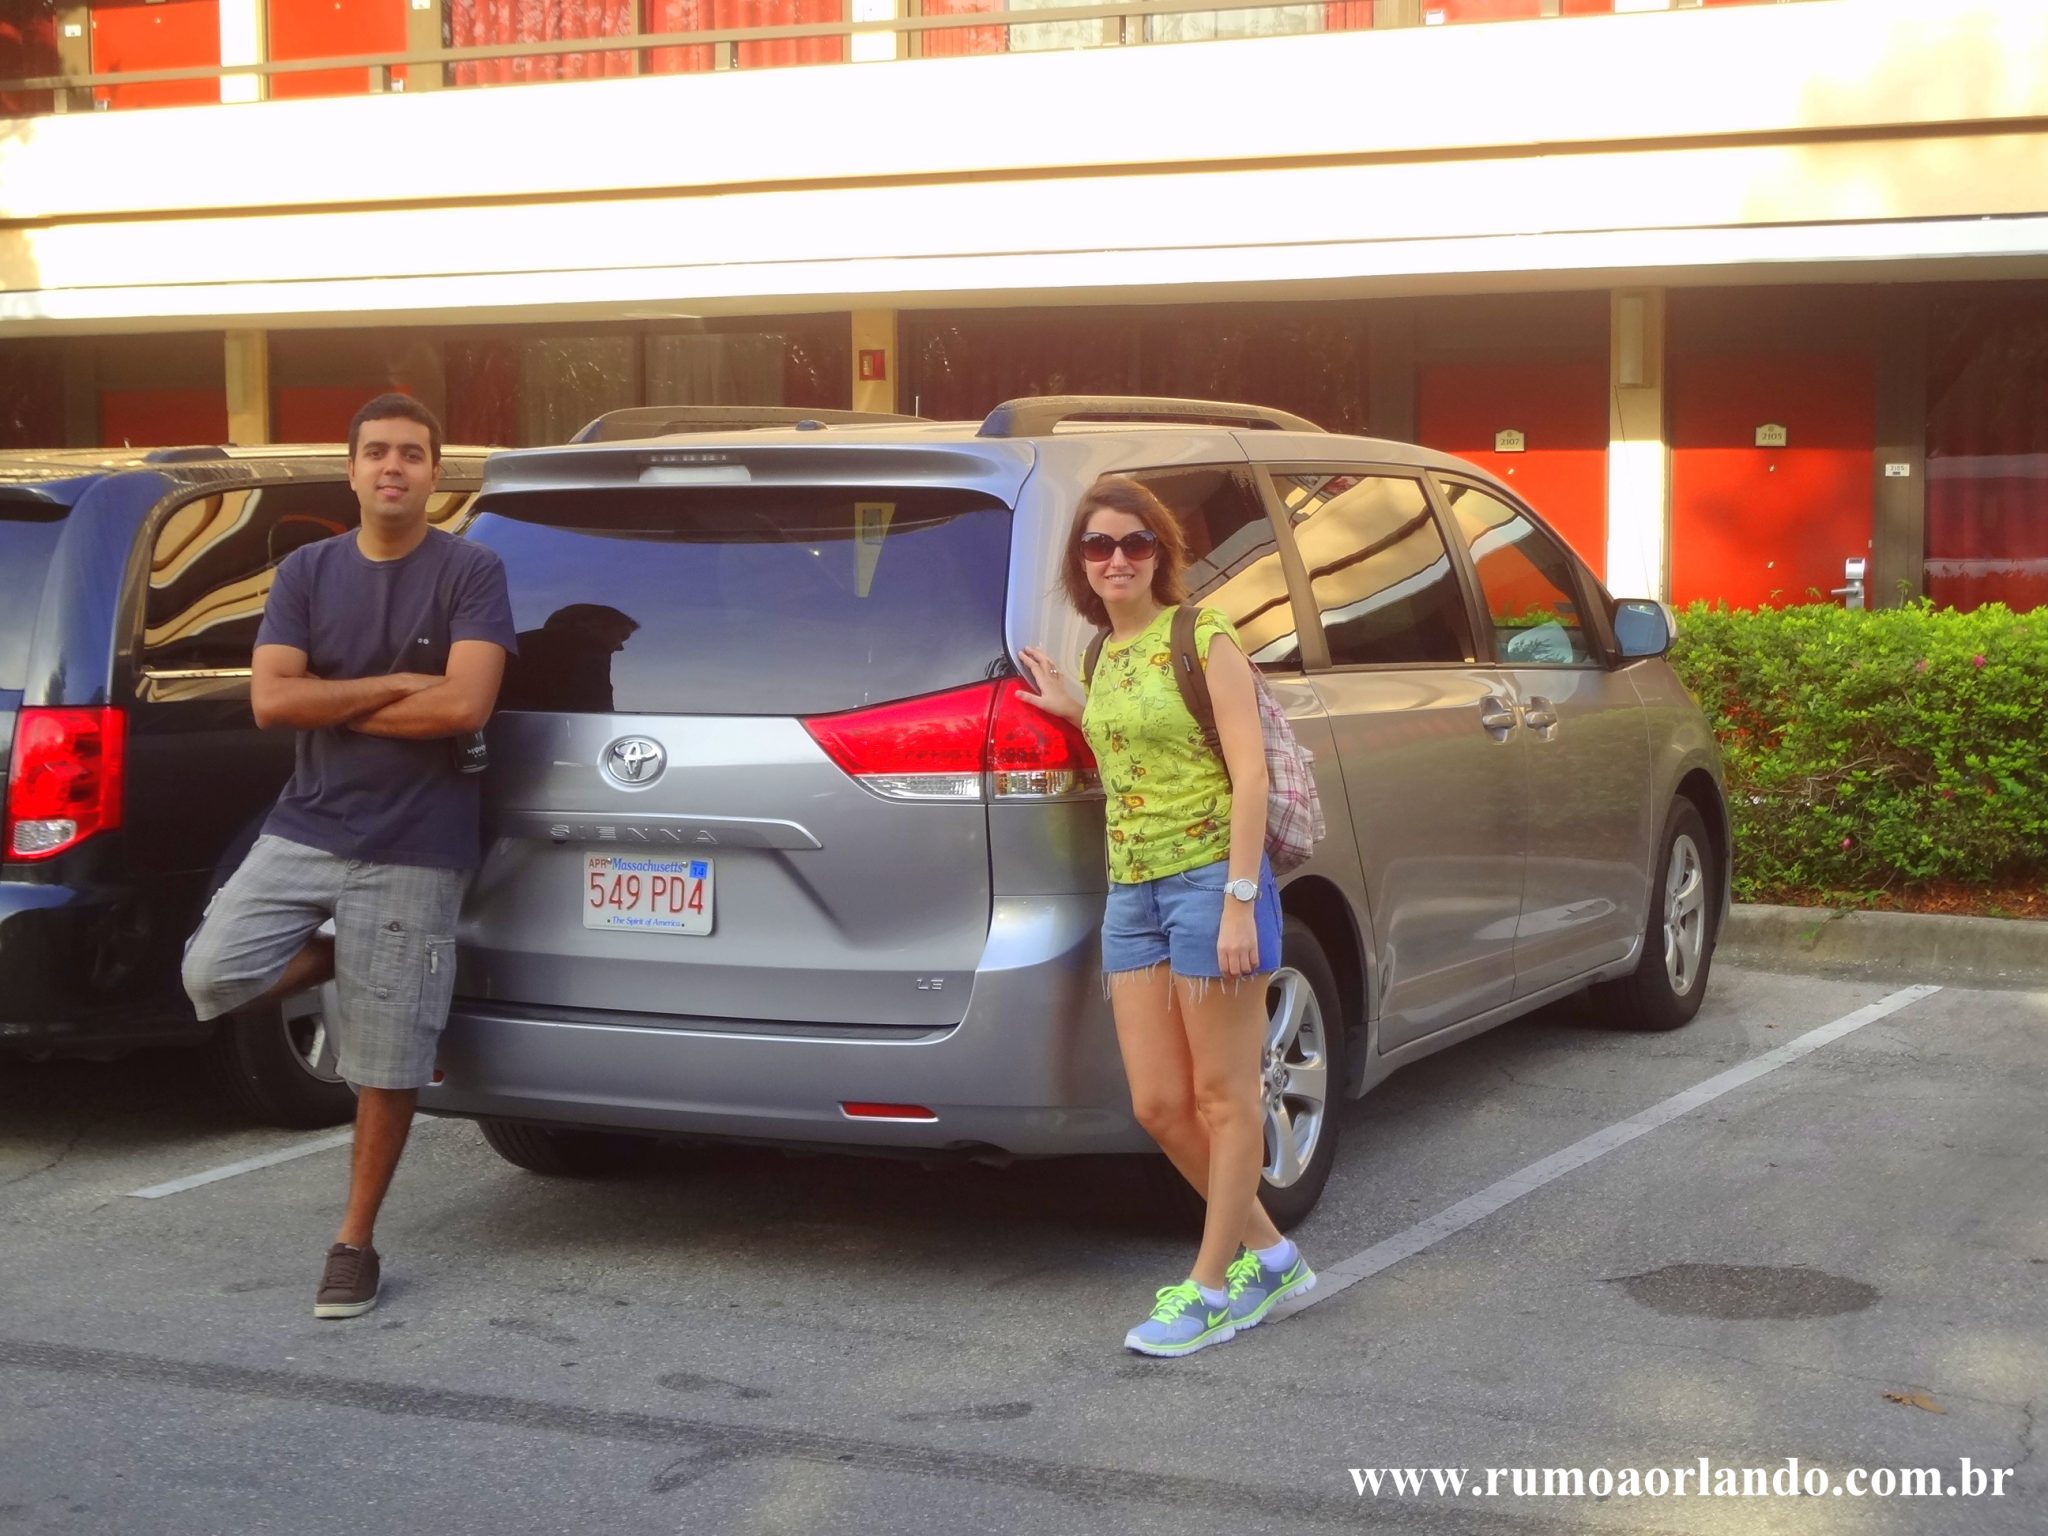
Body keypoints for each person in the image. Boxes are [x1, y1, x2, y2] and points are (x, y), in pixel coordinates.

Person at [182, 393, 516, 1320]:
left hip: (418, 841)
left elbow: (462, 710)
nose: (393, 467)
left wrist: (336, 694)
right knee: (210, 973)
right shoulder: (307, 570)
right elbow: (269, 704)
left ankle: (354, 1243)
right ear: (354, 469)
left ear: (434, 471)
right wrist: (401, 683)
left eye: (411, 452)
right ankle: (347, 954)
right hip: (309, 824)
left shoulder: (472, 571)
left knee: (386, 1056)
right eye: (377, 453)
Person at [1018, 475, 1314, 1358]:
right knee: (1157, 1104)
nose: (1116, 559)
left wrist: (1236, 898)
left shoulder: (1204, 635)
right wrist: (1077, 709)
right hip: (1132, 892)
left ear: (1161, 554)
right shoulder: (1108, 657)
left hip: (1209, 886)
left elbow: (1250, 774)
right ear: (1080, 562)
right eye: (1098, 545)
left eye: (1134, 544)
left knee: (1225, 1098)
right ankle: (1272, 1255)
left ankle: (1213, 1287)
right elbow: (1132, 741)